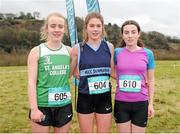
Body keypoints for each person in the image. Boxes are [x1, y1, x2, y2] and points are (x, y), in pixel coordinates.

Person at [27, 12, 72, 133]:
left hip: (64, 105)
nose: (57, 30)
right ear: (47, 28)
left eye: (60, 26)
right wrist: (34, 109)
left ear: (65, 29)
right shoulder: (36, 51)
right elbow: (31, 83)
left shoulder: (70, 51)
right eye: (53, 26)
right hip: (42, 106)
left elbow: (76, 73)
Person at [70, 12, 115, 133]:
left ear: (102, 28)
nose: (95, 29)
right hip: (85, 98)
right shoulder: (77, 48)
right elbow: (72, 72)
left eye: (98, 26)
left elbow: (112, 71)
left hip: (104, 97)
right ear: (86, 27)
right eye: (92, 26)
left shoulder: (110, 47)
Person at [113, 20, 155, 133]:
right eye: (126, 32)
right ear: (122, 35)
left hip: (141, 103)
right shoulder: (117, 52)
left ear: (138, 34)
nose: (130, 35)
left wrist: (150, 104)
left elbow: (151, 79)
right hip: (121, 103)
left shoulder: (148, 54)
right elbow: (112, 72)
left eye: (133, 32)